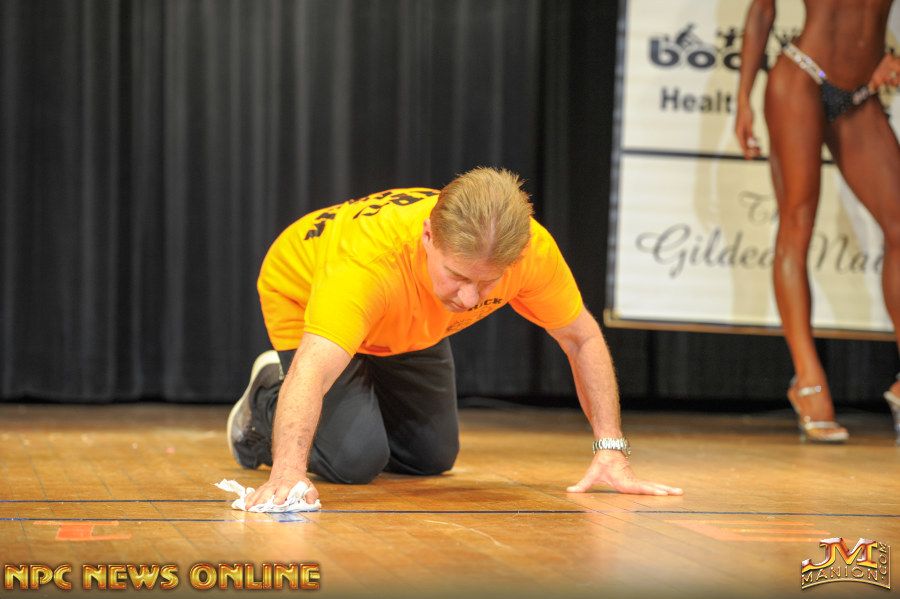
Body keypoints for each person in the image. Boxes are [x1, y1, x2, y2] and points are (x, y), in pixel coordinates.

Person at [227, 167, 683, 508]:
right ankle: (265, 398)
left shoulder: (532, 253)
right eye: (459, 276)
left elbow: (582, 338)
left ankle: (356, 405)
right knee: (355, 461)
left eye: (488, 283)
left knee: (431, 457)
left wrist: (611, 448)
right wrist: (286, 474)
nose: (469, 299)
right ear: (428, 236)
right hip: (304, 291)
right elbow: (313, 370)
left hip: (410, 319)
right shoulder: (366, 266)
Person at [735, 0, 900, 443]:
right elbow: (762, 10)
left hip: (860, 94)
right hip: (801, 79)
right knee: (797, 225)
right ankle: (808, 378)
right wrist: (743, 98)